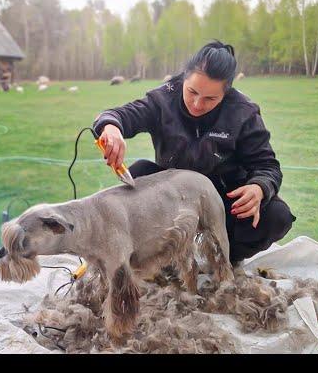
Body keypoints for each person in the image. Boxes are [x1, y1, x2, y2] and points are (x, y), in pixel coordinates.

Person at [92, 41, 296, 264]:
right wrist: (110, 128)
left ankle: (224, 259)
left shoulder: (243, 112)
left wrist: (259, 187)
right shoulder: (162, 99)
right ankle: (158, 255)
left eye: (210, 98)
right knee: (139, 174)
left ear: (226, 92)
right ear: (183, 79)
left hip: (225, 201)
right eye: (192, 92)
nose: (197, 104)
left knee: (277, 215)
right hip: (172, 200)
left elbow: (267, 166)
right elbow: (118, 115)